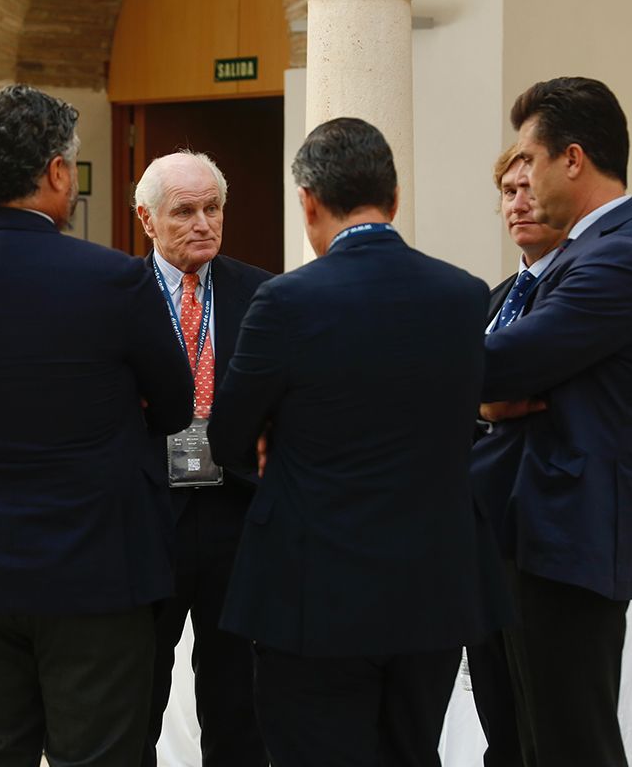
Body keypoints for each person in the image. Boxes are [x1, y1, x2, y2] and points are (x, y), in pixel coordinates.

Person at [0, 84, 194, 766]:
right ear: (58, 171)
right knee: (97, 752)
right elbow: (175, 407)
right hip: (94, 557)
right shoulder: (115, 280)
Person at [208, 117, 505, 766]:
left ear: (307, 203)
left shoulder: (284, 300)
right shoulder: (462, 295)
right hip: (431, 588)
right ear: (394, 200)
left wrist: (272, 440)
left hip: (313, 591)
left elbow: (228, 435)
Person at [482, 77, 632, 767]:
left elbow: (500, 365)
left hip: (568, 534)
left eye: (528, 163)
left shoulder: (620, 255)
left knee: (569, 746)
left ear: (571, 158)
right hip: (529, 530)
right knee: (522, 741)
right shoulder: (577, 256)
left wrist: (477, 389)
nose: (523, 184)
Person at [134, 151, 271, 767]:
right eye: (183, 211)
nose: (202, 224)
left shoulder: (262, 293)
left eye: (212, 208)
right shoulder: (120, 295)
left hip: (235, 512)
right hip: (148, 511)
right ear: (148, 220)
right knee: (134, 696)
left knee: (237, 699)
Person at [467, 145, 567, 767]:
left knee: (543, 728)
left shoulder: (576, 285)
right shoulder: (496, 294)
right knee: (496, 718)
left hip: (542, 526)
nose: (519, 203)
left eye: (529, 188)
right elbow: (464, 396)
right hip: (481, 528)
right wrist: (476, 404)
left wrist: (474, 397)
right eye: (507, 191)